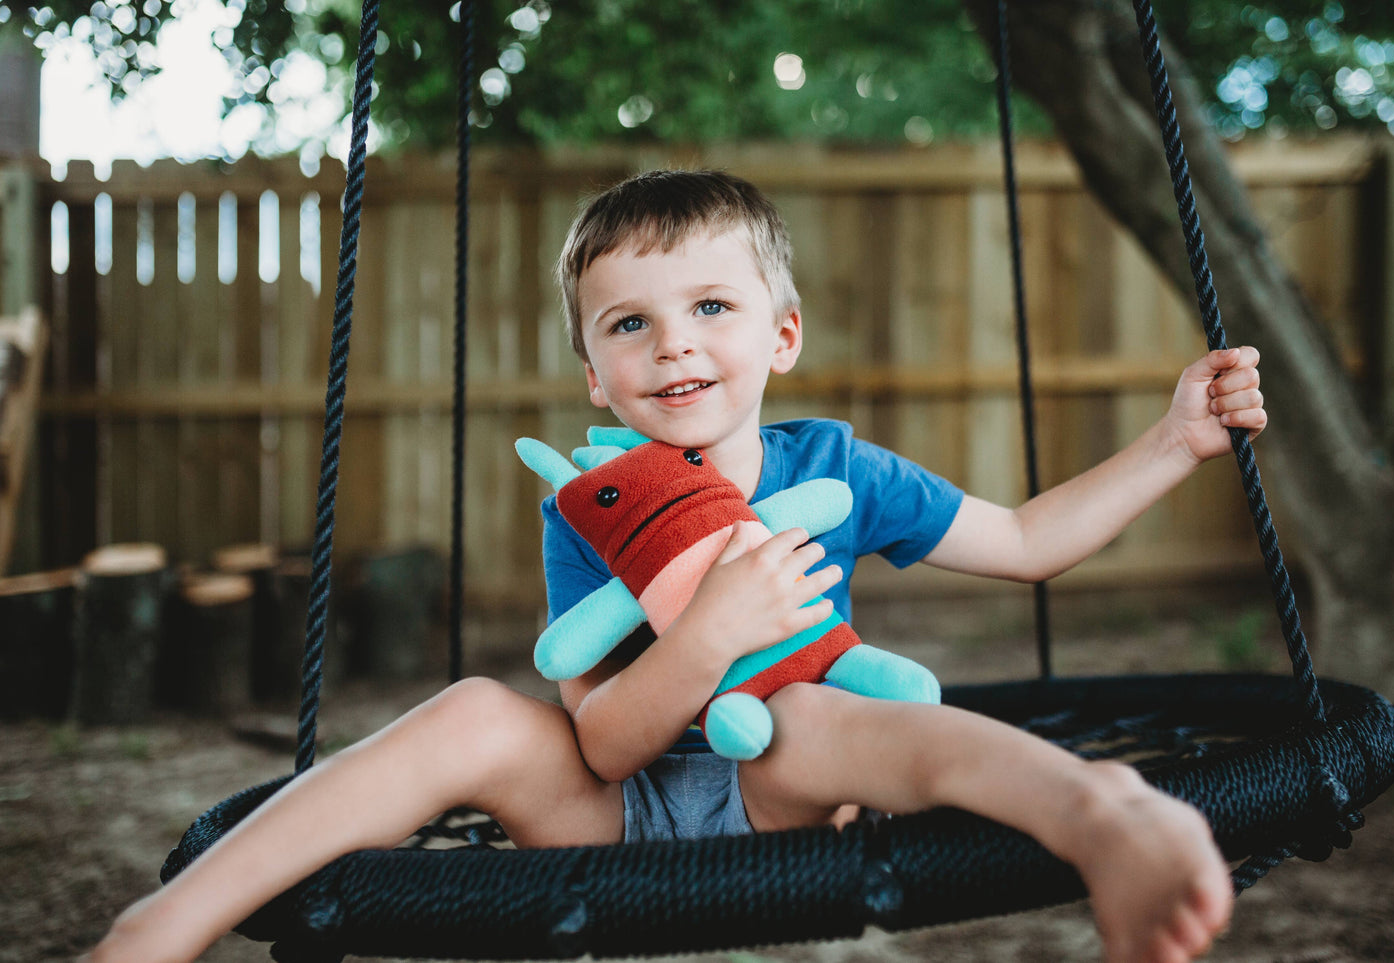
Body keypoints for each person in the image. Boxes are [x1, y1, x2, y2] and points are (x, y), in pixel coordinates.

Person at [87, 169, 1262, 963]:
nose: (674, 343)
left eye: (708, 304)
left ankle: (1098, 812)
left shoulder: (836, 469)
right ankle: (169, 921)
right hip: (610, 809)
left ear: (779, 334)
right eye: (628, 323)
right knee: (470, 713)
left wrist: (1173, 445)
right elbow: (598, 741)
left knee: (818, 715)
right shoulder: (591, 502)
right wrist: (704, 636)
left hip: (778, 796)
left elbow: (1021, 541)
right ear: (594, 373)